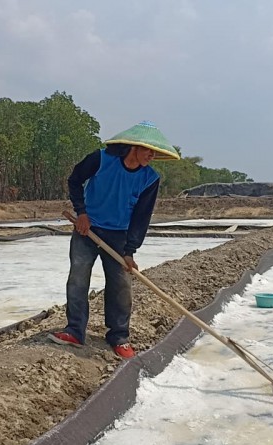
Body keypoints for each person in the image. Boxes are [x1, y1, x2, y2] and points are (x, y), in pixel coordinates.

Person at [49, 121, 180, 358]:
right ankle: (75, 331)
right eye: (148, 150)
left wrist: (130, 251)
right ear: (134, 147)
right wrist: (81, 212)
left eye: (154, 152)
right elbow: (74, 180)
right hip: (87, 229)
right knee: (78, 278)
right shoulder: (101, 160)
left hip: (118, 236)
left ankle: (119, 336)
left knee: (121, 284)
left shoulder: (150, 179)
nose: (151, 156)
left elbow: (141, 217)